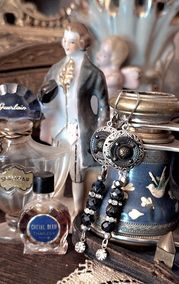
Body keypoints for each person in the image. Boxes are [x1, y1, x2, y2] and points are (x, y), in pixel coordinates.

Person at [38, 22, 109, 217]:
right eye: (64, 39)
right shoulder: (55, 68)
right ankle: (54, 204)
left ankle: (79, 208)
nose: (66, 44)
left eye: (71, 41)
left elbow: (103, 105)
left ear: (82, 43)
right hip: (58, 127)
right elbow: (44, 96)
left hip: (79, 129)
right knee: (56, 167)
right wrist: (43, 100)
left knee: (77, 170)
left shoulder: (93, 73)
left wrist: (99, 130)